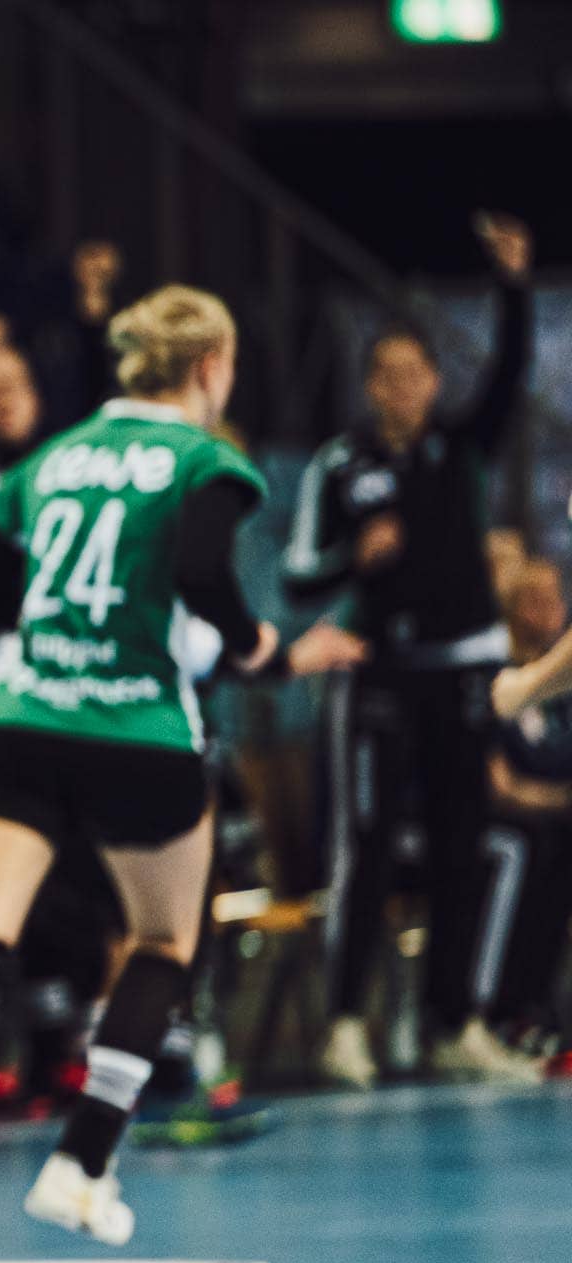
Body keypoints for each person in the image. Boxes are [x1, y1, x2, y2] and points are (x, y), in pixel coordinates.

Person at [0, 286, 364, 1263]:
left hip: (18, 717)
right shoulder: (204, 459)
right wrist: (260, 647)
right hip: (136, 728)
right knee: (164, 940)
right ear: (210, 366)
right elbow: (202, 572)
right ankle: (80, 1164)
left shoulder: (51, 458)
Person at [285, 213, 536, 1086]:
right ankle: (344, 1024)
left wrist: (513, 287)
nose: (402, 386)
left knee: (464, 843)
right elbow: (298, 577)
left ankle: (452, 1023)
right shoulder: (340, 464)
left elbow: (508, 377)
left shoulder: (458, 448)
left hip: (462, 668)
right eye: (386, 374)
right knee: (367, 845)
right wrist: (353, 559)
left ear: (433, 381)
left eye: (415, 372)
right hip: (380, 678)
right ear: (369, 386)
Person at [476, 557, 572, 1063]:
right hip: (496, 822)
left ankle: (533, 1007)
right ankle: (500, 1010)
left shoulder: (555, 700)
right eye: (538, 600)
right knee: (530, 844)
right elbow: (498, 785)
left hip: (549, 818)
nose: (552, 610)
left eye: (557, 599)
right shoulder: (488, 673)